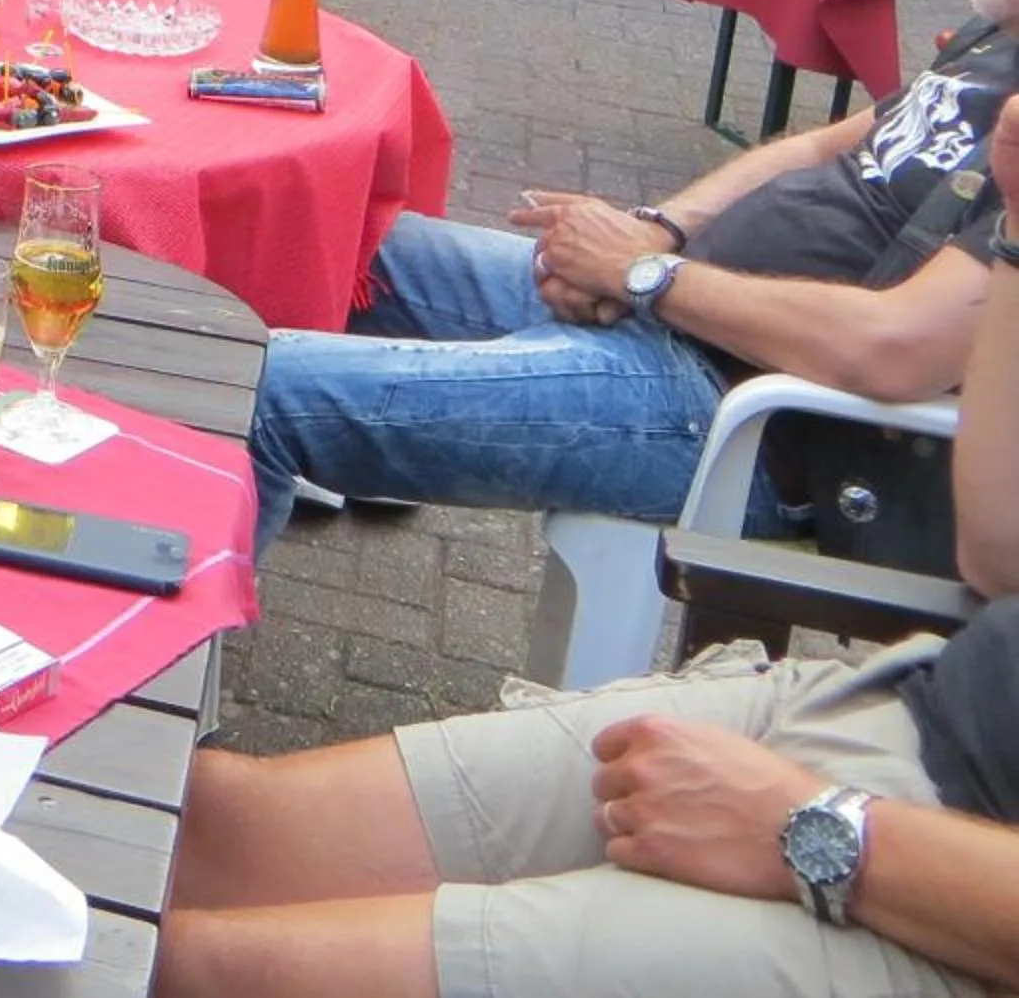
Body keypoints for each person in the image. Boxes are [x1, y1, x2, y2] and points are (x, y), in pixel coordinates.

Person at [155, 96, 1019, 998]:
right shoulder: (990, 51)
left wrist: (815, 826)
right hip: (908, 701)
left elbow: (890, 352)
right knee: (202, 821)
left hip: (933, 877)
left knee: (203, 969)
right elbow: (996, 559)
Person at [246, 0, 1019, 547]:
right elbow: (823, 145)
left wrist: (645, 273)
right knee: (326, 235)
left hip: (733, 416)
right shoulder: (1000, 37)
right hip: (674, 308)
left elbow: (894, 350)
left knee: (251, 386)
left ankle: (159, 668)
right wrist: (662, 230)